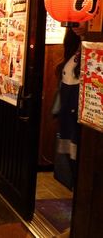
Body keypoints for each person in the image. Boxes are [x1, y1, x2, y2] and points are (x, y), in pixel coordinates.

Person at [54, 22, 87, 189]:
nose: (77, 25)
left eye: (83, 21)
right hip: (67, 114)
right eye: (74, 22)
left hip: (78, 116)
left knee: (76, 153)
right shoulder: (73, 50)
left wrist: (86, 35)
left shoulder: (90, 50)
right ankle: (72, 185)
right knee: (67, 153)